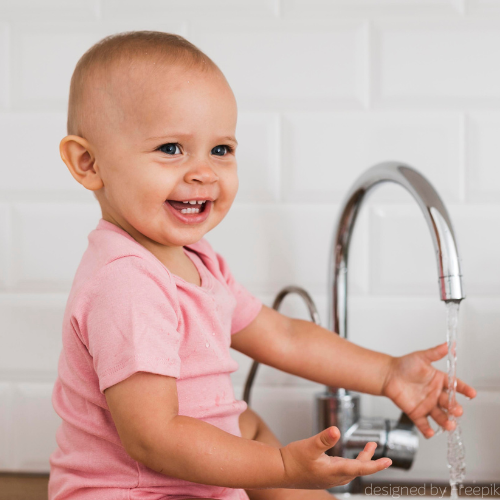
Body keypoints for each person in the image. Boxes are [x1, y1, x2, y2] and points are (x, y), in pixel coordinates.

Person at [48, 31, 476, 500]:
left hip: (192, 482)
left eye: (221, 150)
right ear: (88, 162)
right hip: (134, 492)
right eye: (171, 148)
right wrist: (283, 466)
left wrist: (387, 373)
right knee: (252, 445)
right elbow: (153, 436)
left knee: (245, 424)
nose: (204, 172)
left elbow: (282, 336)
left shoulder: (197, 260)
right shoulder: (127, 281)